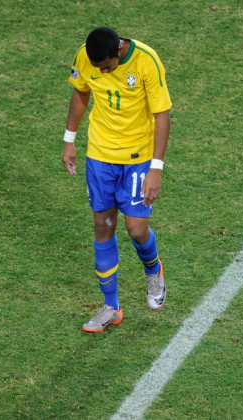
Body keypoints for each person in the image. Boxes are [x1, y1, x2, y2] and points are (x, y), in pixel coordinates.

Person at [61, 27, 172, 333]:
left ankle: (153, 269)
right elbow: (81, 91)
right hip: (100, 156)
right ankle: (111, 306)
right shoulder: (86, 57)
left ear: (120, 50)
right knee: (103, 225)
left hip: (138, 160)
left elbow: (162, 114)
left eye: (107, 67)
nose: (102, 72)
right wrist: (69, 139)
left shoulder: (146, 60)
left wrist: (156, 168)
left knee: (136, 229)